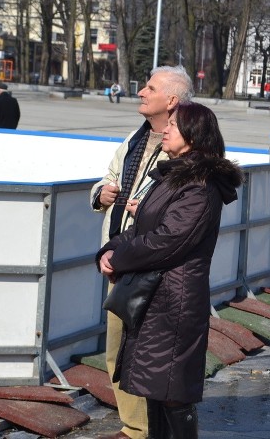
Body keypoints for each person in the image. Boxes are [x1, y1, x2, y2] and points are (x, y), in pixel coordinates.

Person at [96, 101, 243, 439]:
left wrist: (119, 259)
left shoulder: (199, 186)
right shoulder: (175, 176)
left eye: (174, 125)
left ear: (192, 135)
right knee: (154, 387)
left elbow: (169, 240)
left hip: (174, 302)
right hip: (156, 298)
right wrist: (110, 249)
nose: (165, 129)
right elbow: (143, 226)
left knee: (173, 393)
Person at [90, 65, 193, 439]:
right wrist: (101, 194)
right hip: (120, 261)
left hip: (150, 266)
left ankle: (144, 430)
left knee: (149, 357)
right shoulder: (136, 139)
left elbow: (181, 213)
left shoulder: (184, 143)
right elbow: (109, 176)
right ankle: (135, 427)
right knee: (117, 351)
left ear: (171, 100)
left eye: (149, 88)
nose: (140, 92)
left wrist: (144, 211)